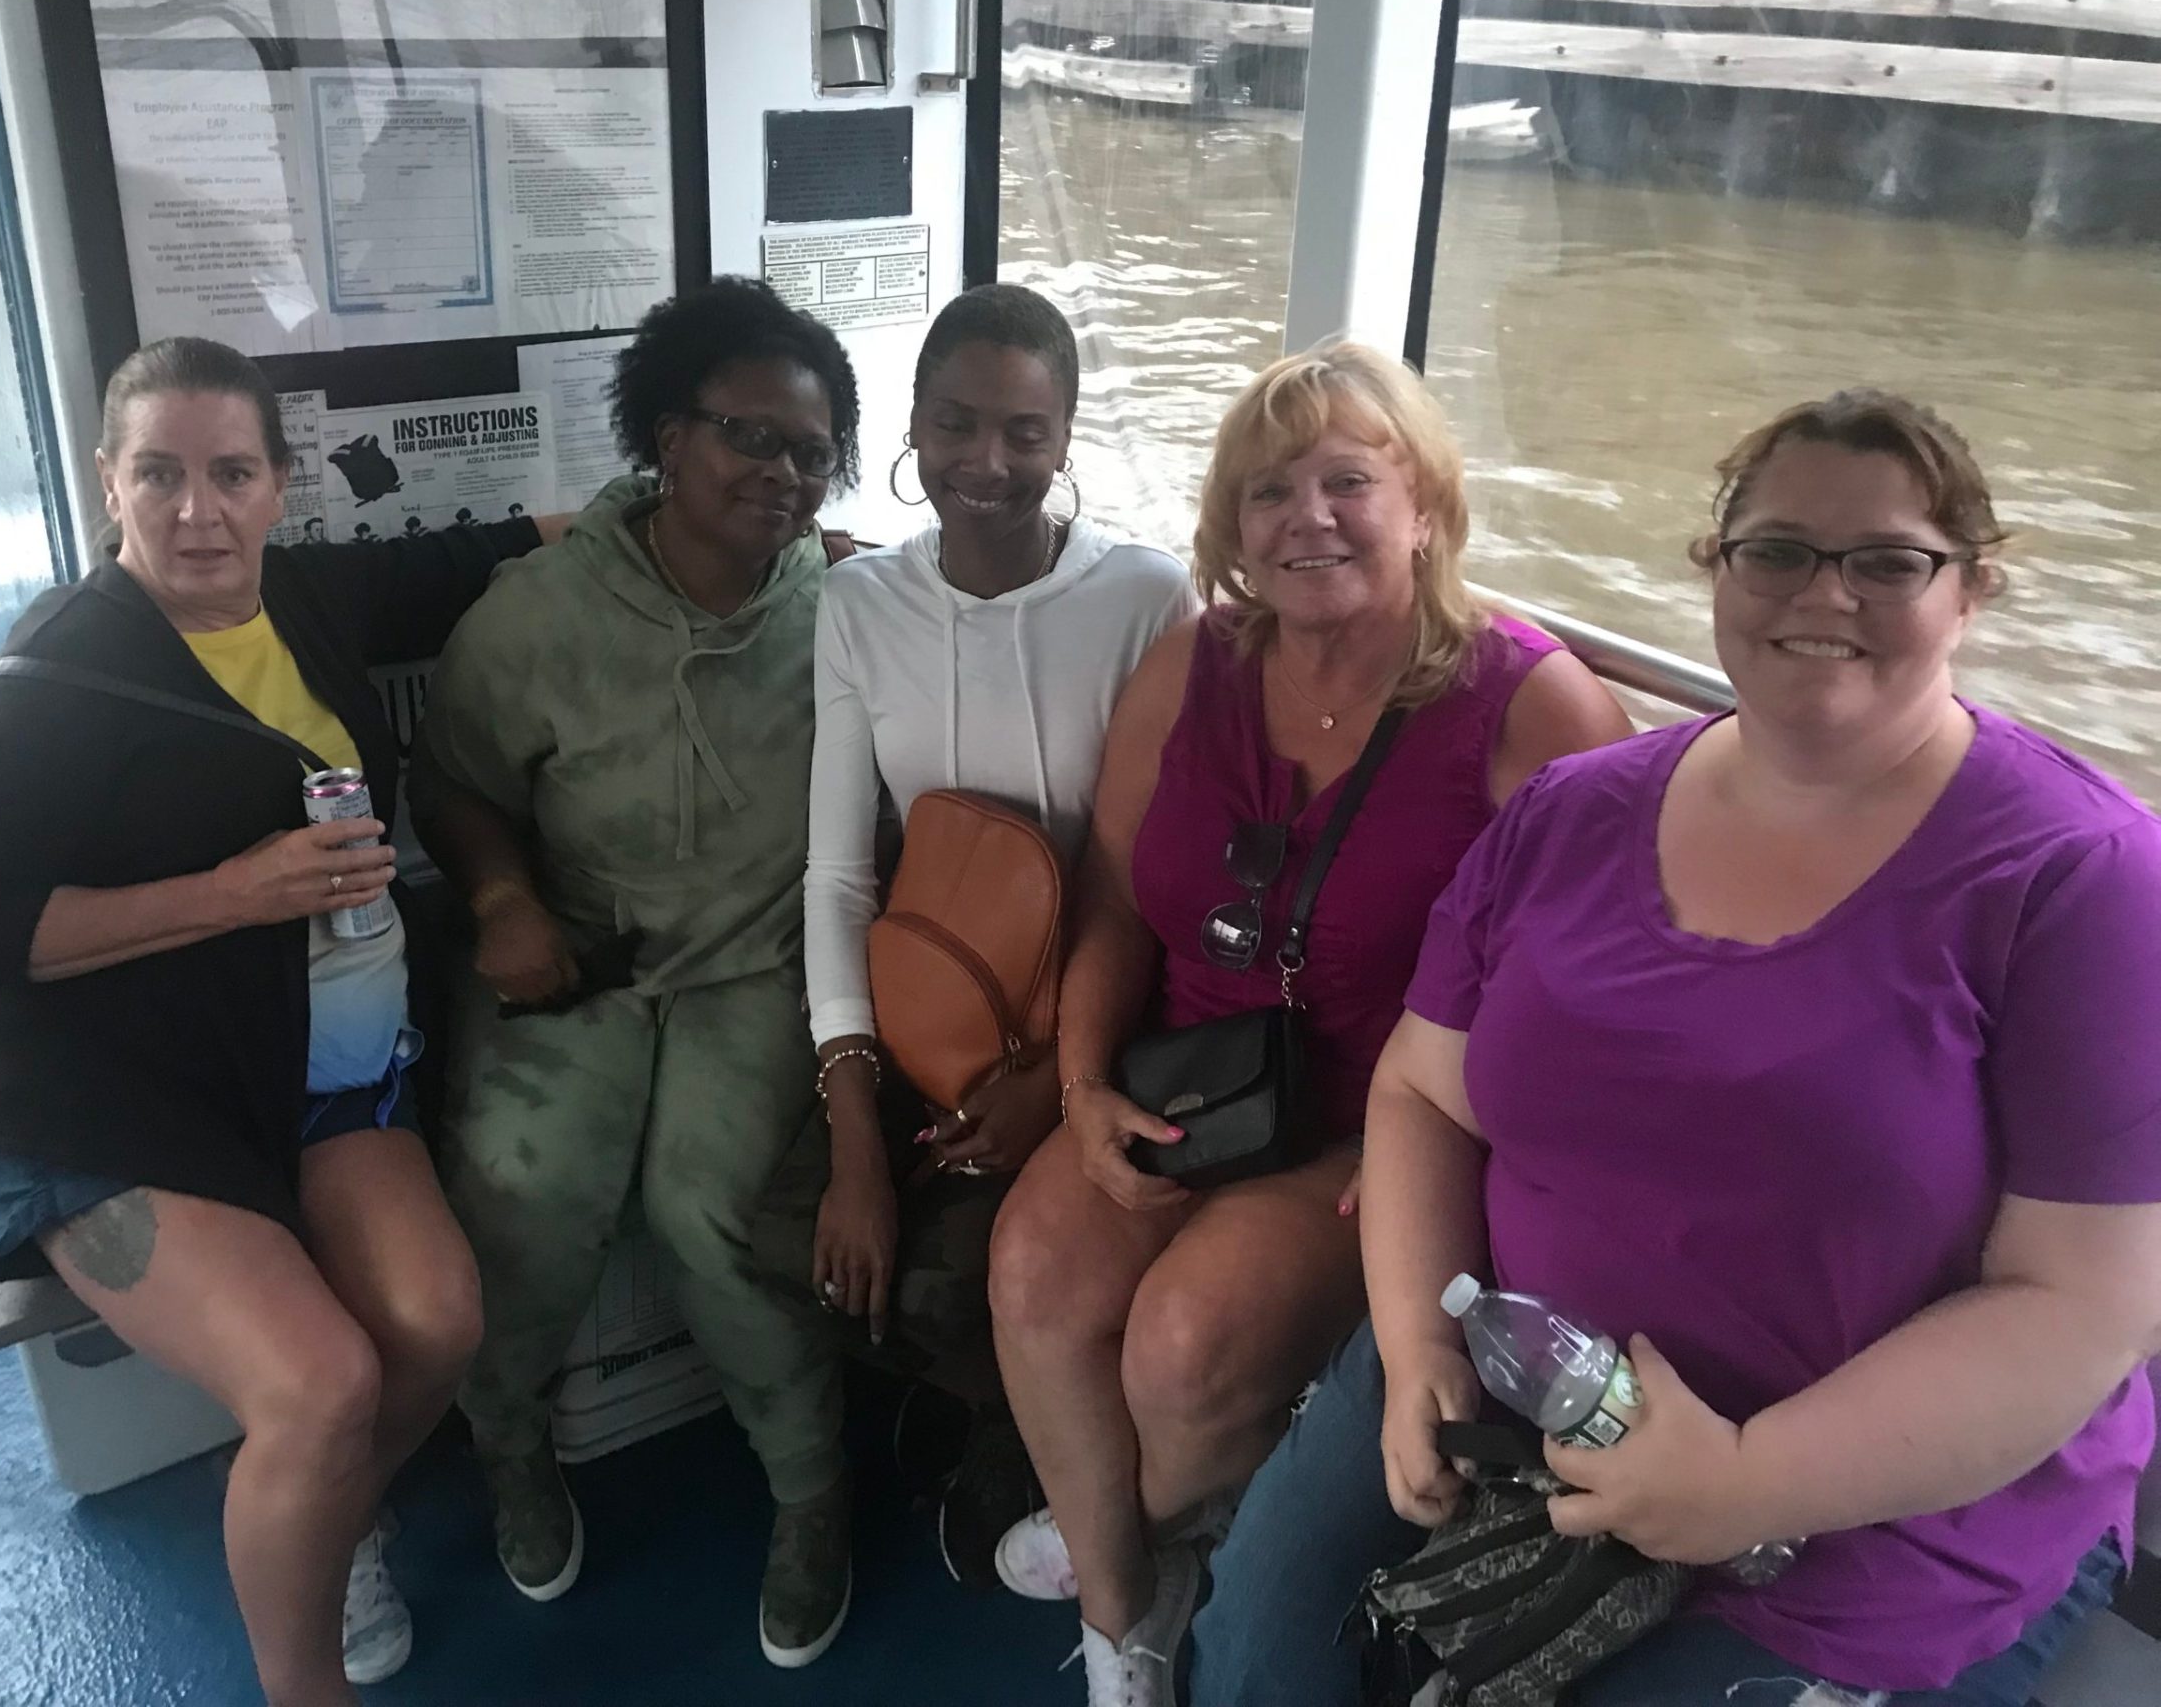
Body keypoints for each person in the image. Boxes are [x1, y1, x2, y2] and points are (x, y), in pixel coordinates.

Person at [1189, 390, 2161, 1707]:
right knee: (1255, 1656)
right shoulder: (1570, 813)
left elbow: (2086, 1306)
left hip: (1873, 1516)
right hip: (1519, 1370)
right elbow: (1421, 1090)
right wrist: (1418, 1347)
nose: (1824, 592)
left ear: (1971, 591)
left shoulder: (2080, 880)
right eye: (1777, 551)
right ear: (1718, 568)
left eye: (1888, 561)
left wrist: (1747, 1482)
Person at [0, 336, 565, 1707]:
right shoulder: (54, 683)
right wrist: (231, 894)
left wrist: (698, 524)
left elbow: (475, 553)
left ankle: (324, 1516)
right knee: (320, 1385)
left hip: (315, 1068)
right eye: (159, 474)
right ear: (108, 482)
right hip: (118, 1090)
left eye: (230, 474)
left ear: (278, 486)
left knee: (437, 1324)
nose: (197, 511)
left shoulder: (305, 596)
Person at [987, 341, 1628, 1704]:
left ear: (1426, 508)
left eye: (1348, 482)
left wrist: (1446, 1152)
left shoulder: (1532, 707)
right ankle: (1123, 1623)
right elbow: (1116, 893)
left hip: (1373, 1127)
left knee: (1185, 1344)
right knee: (1034, 1273)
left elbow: (1607, 993)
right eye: (1269, 491)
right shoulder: (1194, 665)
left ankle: (1122, 1532)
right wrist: (1083, 1082)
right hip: (1191, 1076)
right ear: (1232, 529)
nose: (1308, 518)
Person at [413, 277, 861, 1669]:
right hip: (577, 950)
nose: (780, 473)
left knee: (707, 1207)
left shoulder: (848, 606)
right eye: (748, 437)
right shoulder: (538, 616)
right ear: (669, 438)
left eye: (810, 450)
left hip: (758, 965)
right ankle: (509, 1445)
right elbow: (453, 781)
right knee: (527, 1182)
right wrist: (501, 899)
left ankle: (812, 1492)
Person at [798, 284, 1198, 1584]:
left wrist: (1061, 1083)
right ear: (912, 425)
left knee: (943, 1275)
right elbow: (838, 878)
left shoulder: (1144, 600)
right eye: (957, 425)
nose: (987, 462)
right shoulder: (861, 604)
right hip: (932, 1007)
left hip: (1100, 1022)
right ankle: (979, 1392)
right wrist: (854, 1127)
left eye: (1026, 432)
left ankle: (1018, 1434)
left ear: (1067, 436)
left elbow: (1154, 877)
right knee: (784, 1223)